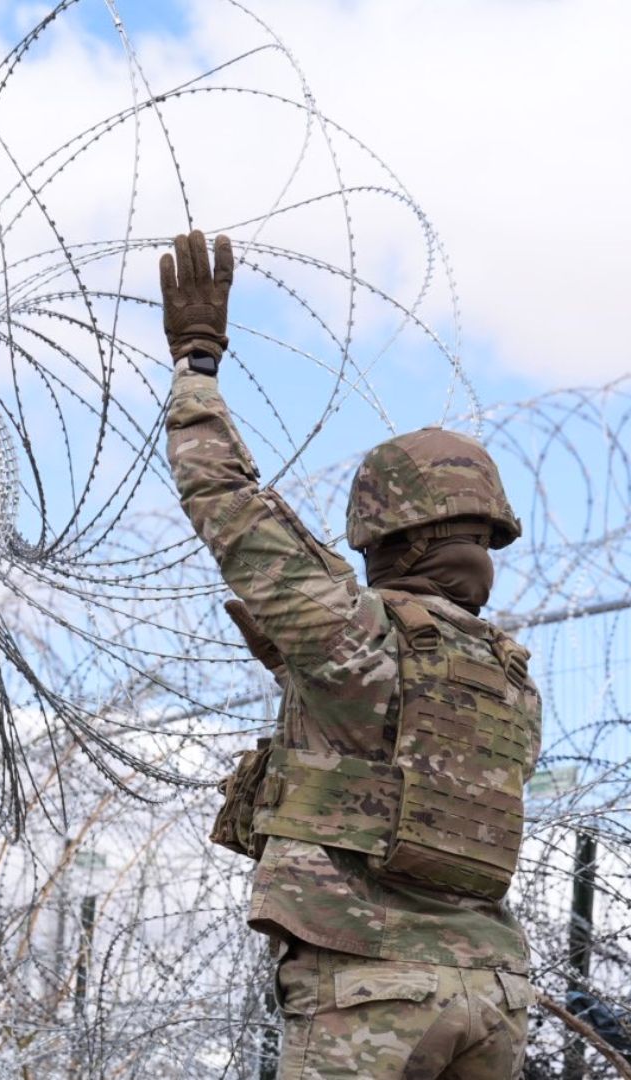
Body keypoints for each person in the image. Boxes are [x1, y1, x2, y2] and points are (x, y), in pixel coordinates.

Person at [160, 230, 543, 1078]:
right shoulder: (511, 678)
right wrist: (298, 674)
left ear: (385, 534)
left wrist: (196, 362)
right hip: (493, 992)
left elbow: (227, 502)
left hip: (371, 986)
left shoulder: (353, 630)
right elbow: (414, 761)